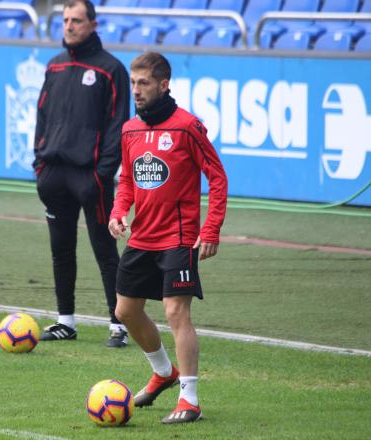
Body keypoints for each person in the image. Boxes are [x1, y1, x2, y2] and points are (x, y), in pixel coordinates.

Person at [109, 52, 228, 423]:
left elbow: (218, 177)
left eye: (144, 83)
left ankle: (189, 399)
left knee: (176, 311)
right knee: (125, 311)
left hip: (179, 238)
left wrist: (211, 229)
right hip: (142, 237)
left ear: (164, 85)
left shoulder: (187, 127)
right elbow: (127, 179)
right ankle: (163, 371)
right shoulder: (130, 130)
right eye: (133, 83)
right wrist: (118, 211)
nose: (137, 91)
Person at [33, 0, 130, 347]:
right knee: (61, 250)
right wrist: (39, 165)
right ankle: (65, 321)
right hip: (54, 175)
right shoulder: (55, 66)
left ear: (92, 24)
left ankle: (119, 324)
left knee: (105, 251)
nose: (69, 26)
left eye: (77, 20)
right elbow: (42, 118)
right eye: (65, 20)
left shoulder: (110, 69)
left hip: (90, 178)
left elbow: (118, 126)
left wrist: (101, 175)